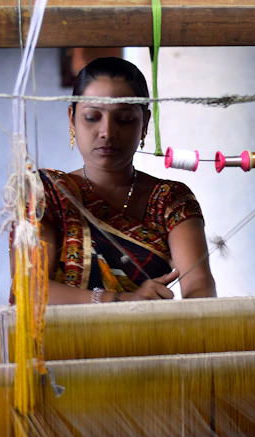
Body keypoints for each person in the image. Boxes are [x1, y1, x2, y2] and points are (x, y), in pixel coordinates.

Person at [35, 57, 216, 304]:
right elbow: (32, 289)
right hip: (64, 342)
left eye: (124, 119)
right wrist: (118, 300)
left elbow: (199, 289)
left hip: (152, 339)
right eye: (92, 117)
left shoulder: (170, 200)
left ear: (144, 123)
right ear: (72, 119)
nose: (107, 131)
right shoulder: (45, 194)